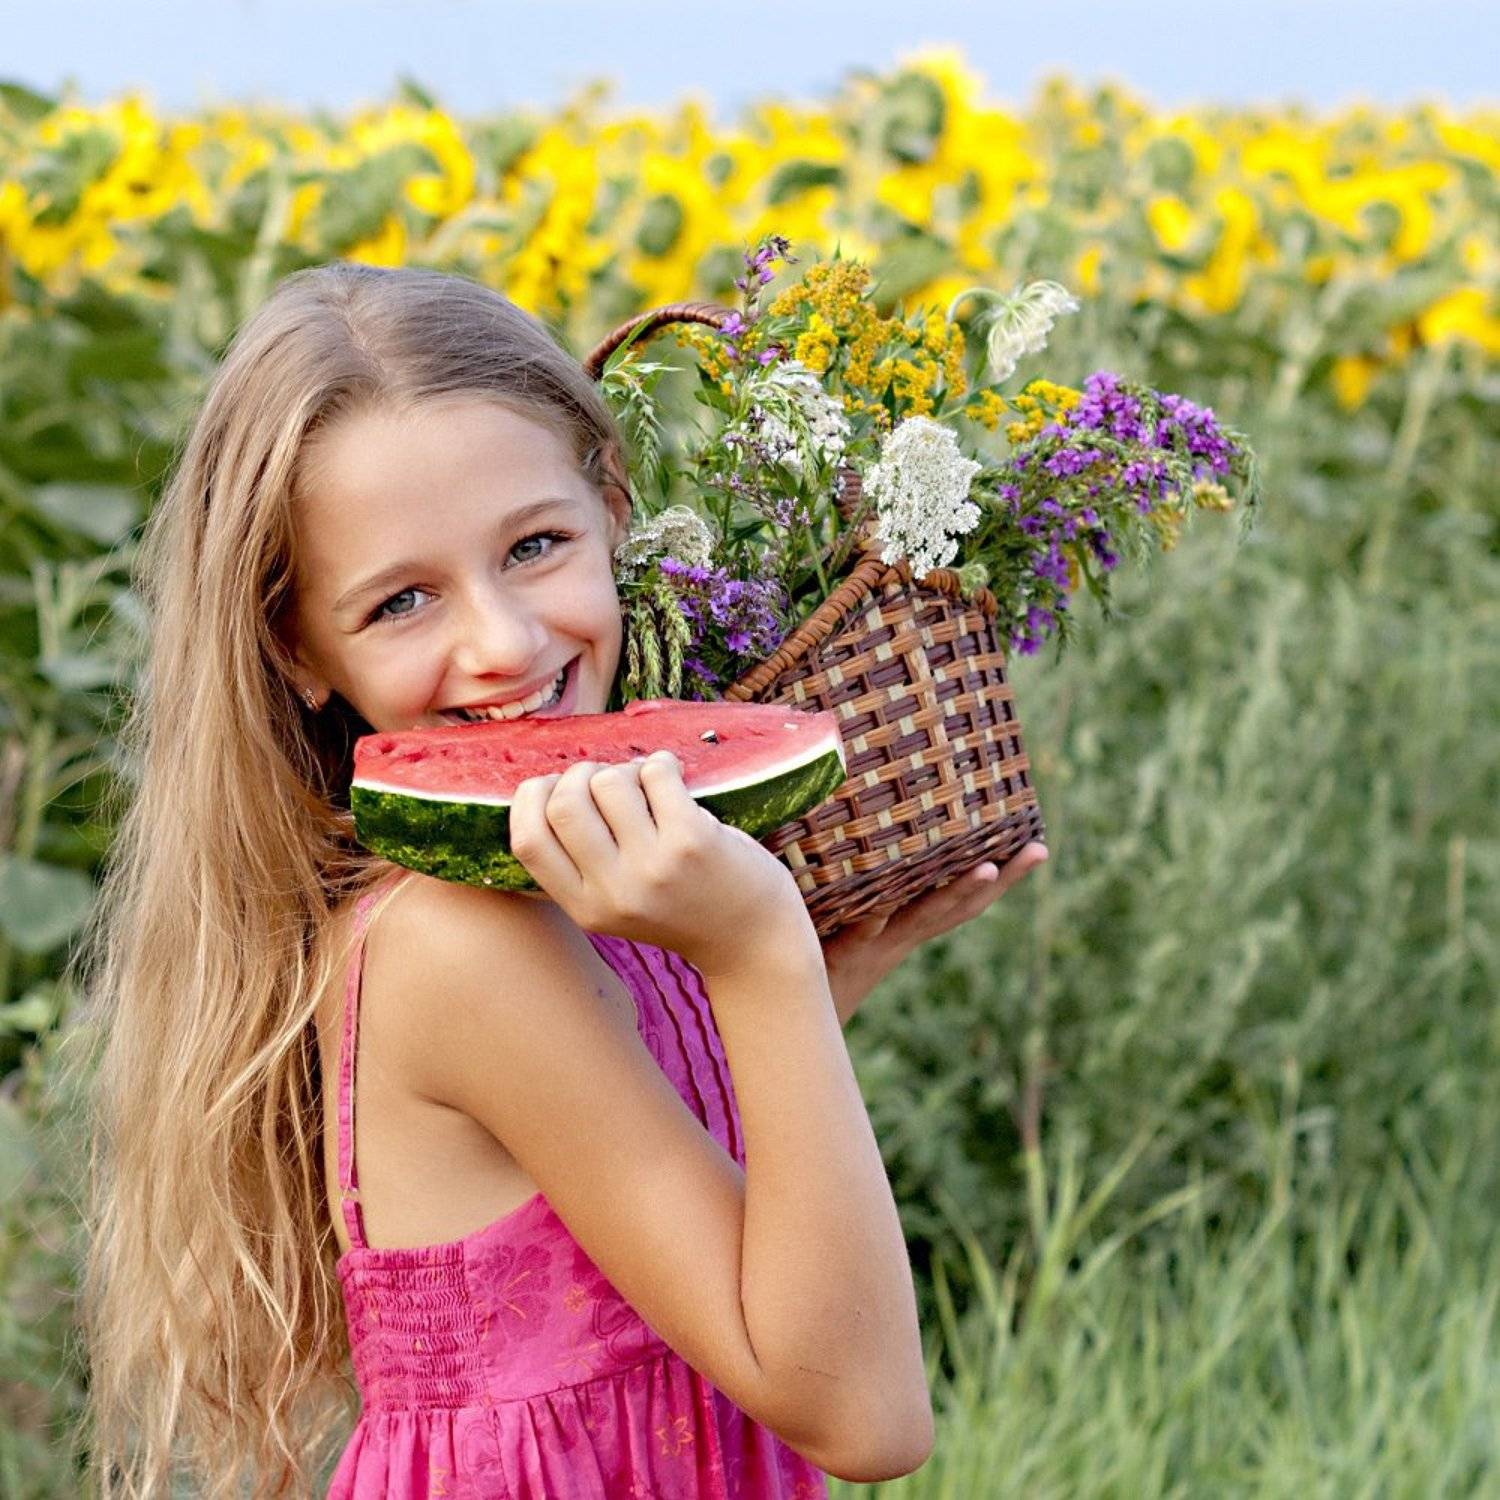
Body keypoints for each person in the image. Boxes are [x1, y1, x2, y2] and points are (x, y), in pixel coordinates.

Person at [77, 262, 1048, 1498]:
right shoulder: (455, 943)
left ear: (612, 508)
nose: (506, 642)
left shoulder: (573, 881)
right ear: (296, 649)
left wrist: (816, 984)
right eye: (403, 600)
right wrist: (762, 963)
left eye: (534, 547)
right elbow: (862, 1418)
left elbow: (633, 1222)